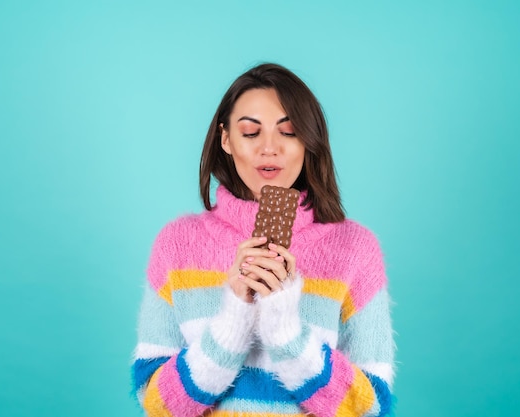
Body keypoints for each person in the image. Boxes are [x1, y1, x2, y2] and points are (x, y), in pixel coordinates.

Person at [131, 63, 395, 417]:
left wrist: (286, 331)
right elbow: (156, 404)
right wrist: (234, 318)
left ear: (308, 141)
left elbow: (371, 408)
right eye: (251, 133)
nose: (269, 148)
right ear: (226, 139)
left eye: (288, 132)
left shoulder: (354, 248)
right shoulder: (177, 244)